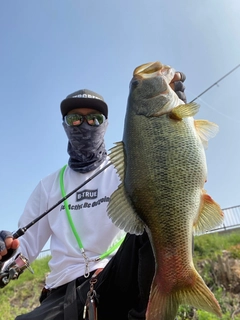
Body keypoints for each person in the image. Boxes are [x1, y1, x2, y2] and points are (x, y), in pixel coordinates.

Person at [0, 72, 186, 320]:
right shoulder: (47, 186)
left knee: (162, 215)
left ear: (106, 125)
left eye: (95, 119)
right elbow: (24, 249)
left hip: (119, 275)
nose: (84, 125)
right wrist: (6, 251)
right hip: (62, 293)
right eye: (75, 119)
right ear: (65, 124)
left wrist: (173, 124)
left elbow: (170, 179)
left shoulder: (130, 169)